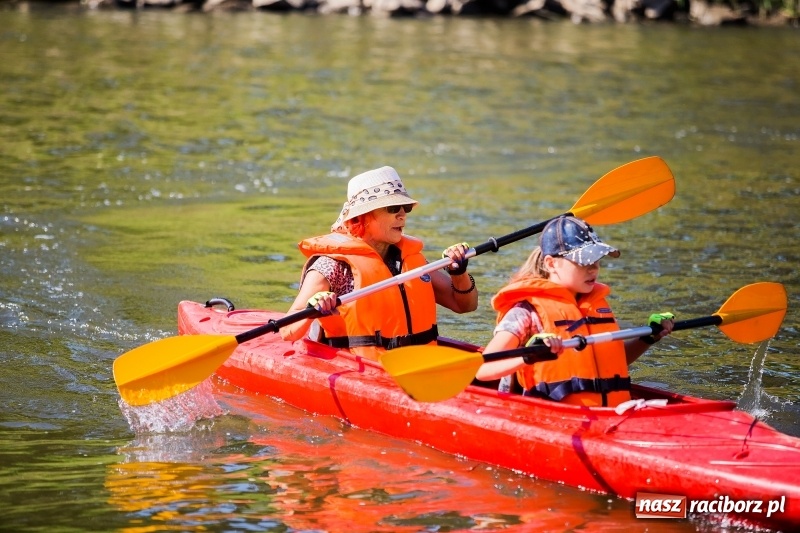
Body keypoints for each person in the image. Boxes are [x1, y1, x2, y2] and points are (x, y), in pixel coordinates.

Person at [280, 166, 479, 361]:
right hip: (364, 370)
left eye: (405, 208)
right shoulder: (331, 267)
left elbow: (464, 306)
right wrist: (312, 307)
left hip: (420, 362)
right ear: (363, 217)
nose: (402, 215)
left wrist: (458, 272)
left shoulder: (410, 259)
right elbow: (287, 331)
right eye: (393, 208)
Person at [474, 215, 674, 408]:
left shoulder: (594, 304)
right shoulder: (525, 312)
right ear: (551, 263)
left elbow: (609, 360)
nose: (594, 268)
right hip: (553, 418)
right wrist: (529, 356)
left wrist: (648, 337)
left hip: (613, 413)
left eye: (597, 259)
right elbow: (484, 369)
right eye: (583, 261)